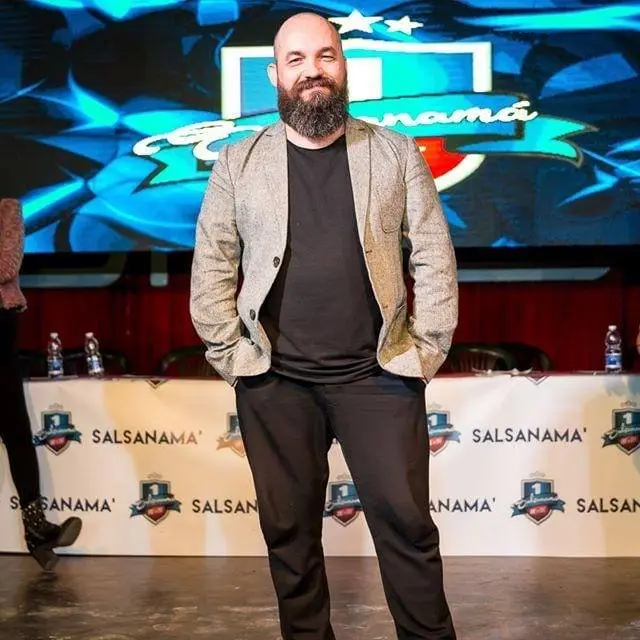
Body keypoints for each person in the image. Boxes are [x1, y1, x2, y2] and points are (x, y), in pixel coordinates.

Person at [190, 12, 458, 640]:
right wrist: (234, 358)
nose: (312, 71)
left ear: (343, 64)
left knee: (408, 530)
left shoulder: (395, 152)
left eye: (325, 56)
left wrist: (424, 350)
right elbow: (213, 264)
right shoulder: (237, 162)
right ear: (274, 74)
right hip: (275, 383)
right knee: (289, 537)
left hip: (379, 378)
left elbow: (432, 253)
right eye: (296, 59)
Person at [0, 198, 82, 571]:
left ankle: (36, 526)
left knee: (15, 430)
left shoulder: (7, 210)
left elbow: (6, 266)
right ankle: (38, 533)